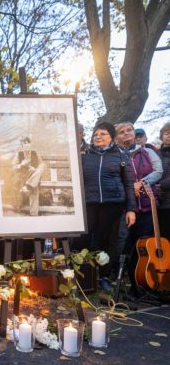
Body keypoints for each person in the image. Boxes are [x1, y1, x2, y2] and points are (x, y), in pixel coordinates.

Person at [77, 122, 136, 291]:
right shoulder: (85, 156)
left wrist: (131, 209)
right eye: (96, 134)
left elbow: (129, 184)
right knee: (84, 240)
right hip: (89, 205)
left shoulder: (120, 156)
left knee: (108, 243)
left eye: (103, 134)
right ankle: (83, 278)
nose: (98, 136)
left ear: (111, 137)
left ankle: (103, 276)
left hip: (113, 205)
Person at [115, 122, 163, 295]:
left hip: (146, 204)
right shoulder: (116, 154)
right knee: (123, 244)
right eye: (122, 132)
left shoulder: (148, 152)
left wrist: (140, 183)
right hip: (125, 207)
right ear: (116, 137)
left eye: (129, 130)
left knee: (142, 245)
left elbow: (158, 171)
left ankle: (140, 280)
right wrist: (129, 186)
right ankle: (119, 281)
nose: (127, 133)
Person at [12, 136, 45, 217]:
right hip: (23, 177)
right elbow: (14, 167)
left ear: (30, 144)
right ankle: (28, 186)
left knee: (42, 166)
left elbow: (41, 165)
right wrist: (21, 165)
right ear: (22, 146)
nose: (26, 145)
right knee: (34, 184)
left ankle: (34, 214)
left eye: (28, 143)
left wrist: (35, 169)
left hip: (33, 177)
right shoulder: (18, 154)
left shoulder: (35, 153)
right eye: (24, 144)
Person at [158, 123, 170, 239]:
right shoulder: (156, 154)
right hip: (159, 202)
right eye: (166, 133)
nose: (169, 136)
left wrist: (161, 185)